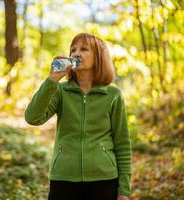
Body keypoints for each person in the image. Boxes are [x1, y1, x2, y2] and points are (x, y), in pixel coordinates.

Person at [25, 33, 132, 200]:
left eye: (84, 49)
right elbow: (32, 117)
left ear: (98, 57)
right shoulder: (60, 91)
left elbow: (122, 143)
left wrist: (124, 190)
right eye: (73, 49)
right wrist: (52, 79)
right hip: (63, 178)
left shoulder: (113, 95)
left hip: (104, 180)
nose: (76, 53)